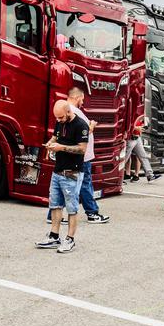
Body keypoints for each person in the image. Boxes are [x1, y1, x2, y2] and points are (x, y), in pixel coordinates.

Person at [47, 88, 108, 224]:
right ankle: (92, 213)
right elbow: (81, 135)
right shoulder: (73, 114)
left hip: (70, 159)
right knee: (83, 185)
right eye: (82, 99)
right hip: (79, 159)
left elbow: (58, 136)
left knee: (62, 188)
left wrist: (53, 143)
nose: (82, 102)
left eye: (60, 118)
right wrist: (92, 125)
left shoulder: (68, 113)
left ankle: (53, 215)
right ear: (77, 97)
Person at [36, 100, 89, 253]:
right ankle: (54, 236)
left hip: (72, 173)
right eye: (56, 118)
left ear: (68, 112)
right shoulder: (60, 122)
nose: (58, 120)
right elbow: (55, 137)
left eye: (61, 117)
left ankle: (70, 239)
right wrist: (50, 143)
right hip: (57, 171)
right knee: (55, 205)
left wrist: (61, 148)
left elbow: (82, 149)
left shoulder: (81, 125)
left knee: (72, 208)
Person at [125, 117, 160, 182]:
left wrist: (144, 123)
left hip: (137, 138)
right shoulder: (132, 114)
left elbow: (144, 124)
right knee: (124, 158)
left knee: (143, 156)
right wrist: (136, 128)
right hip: (130, 138)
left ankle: (150, 176)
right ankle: (116, 176)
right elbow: (126, 126)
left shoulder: (140, 115)